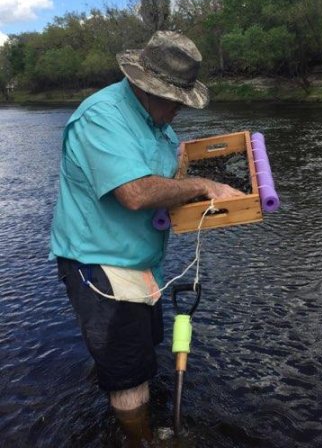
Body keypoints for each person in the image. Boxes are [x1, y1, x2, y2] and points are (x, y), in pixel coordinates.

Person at [49, 31, 243, 447]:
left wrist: (195, 179)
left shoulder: (158, 123)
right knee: (128, 373)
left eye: (181, 101)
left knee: (139, 351)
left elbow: (167, 179)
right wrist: (202, 185)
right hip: (98, 264)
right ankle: (141, 441)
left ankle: (117, 380)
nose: (177, 110)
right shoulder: (100, 117)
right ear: (142, 85)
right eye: (173, 99)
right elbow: (136, 193)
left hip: (139, 262)